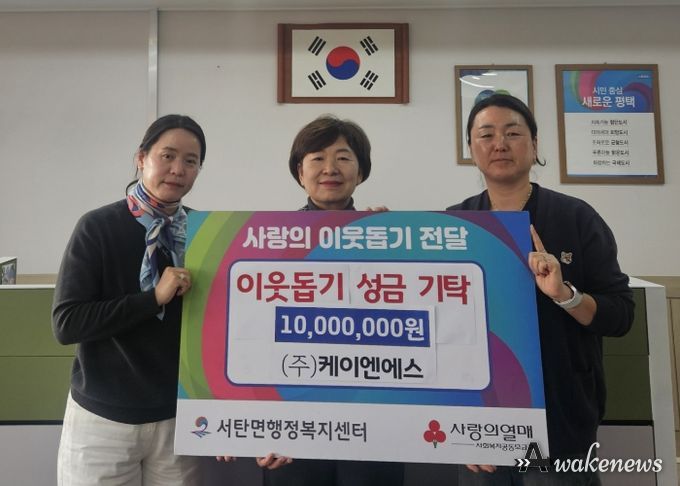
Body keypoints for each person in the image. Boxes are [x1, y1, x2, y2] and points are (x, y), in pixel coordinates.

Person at [449, 94, 634, 485]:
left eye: (513, 133)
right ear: (471, 149)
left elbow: (621, 315)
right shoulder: (454, 224)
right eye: (486, 134)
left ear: (534, 145)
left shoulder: (576, 217)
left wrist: (566, 295)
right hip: (480, 422)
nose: (499, 144)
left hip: (561, 420)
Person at [52, 114, 210, 486]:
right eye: (167, 156)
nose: (178, 169)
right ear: (141, 158)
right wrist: (152, 299)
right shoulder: (97, 227)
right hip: (102, 421)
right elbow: (67, 324)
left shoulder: (205, 231)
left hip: (179, 419)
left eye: (190, 161)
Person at [256, 115, 403, 486]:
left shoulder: (393, 237)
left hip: (373, 417)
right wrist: (254, 425)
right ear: (300, 171)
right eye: (317, 158)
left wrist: (398, 244)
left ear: (361, 171)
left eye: (343, 157)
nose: (330, 169)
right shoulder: (267, 242)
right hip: (292, 421)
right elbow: (252, 335)